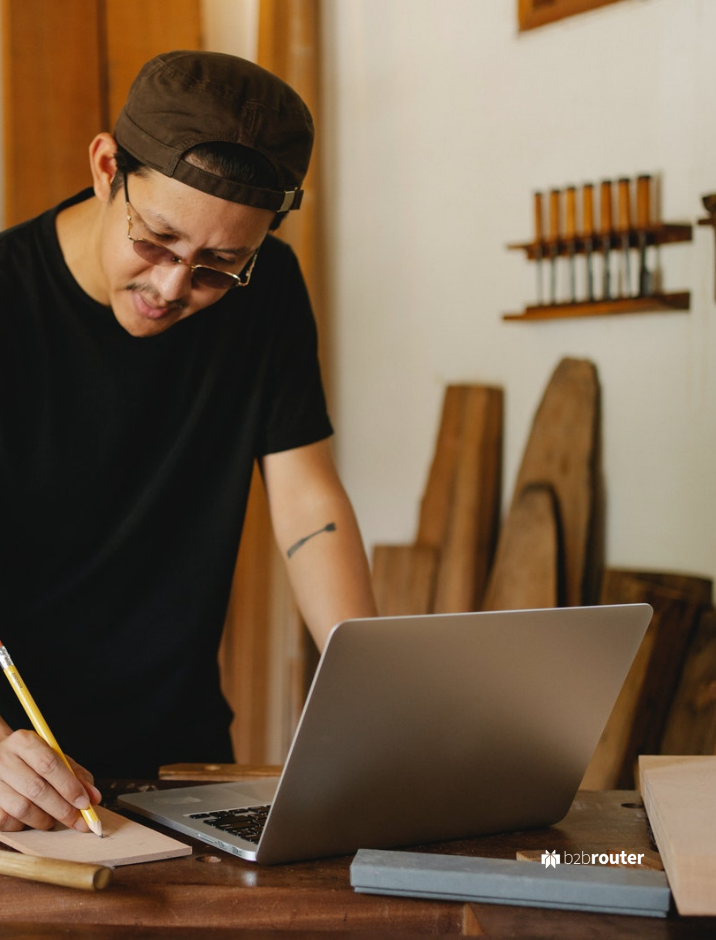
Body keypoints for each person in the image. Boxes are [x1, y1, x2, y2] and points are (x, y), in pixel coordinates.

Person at [0, 51, 377, 833]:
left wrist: (372, 685)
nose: (173, 288)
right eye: (158, 240)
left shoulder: (268, 289)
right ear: (108, 167)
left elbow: (308, 501)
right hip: (17, 769)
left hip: (180, 757)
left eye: (217, 265)